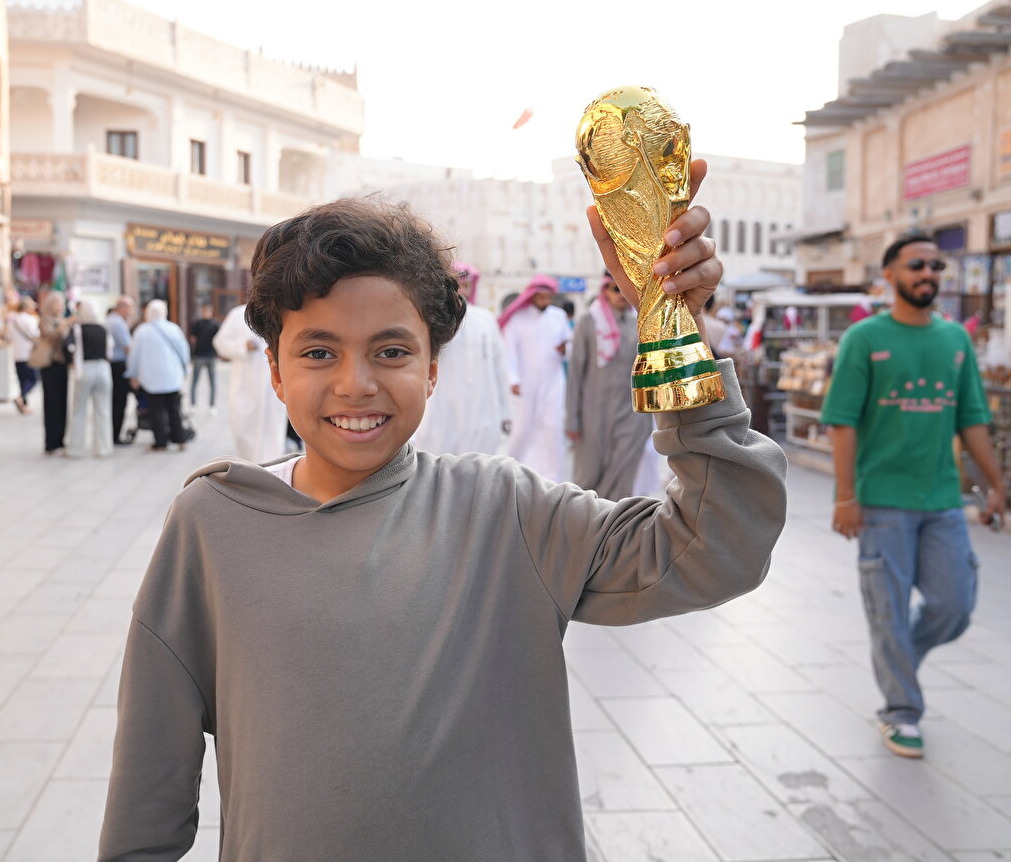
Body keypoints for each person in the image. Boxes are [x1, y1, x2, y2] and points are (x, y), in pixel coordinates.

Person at [98, 189, 788, 861]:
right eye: (318, 352)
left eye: (391, 351)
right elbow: (147, 792)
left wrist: (674, 329)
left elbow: (715, 545)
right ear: (274, 371)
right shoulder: (214, 525)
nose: (356, 383)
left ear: (432, 370)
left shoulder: (506, 511)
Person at [821, 233, 1004, 760]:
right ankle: (901, 710)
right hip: (881, 503)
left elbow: (971, 418)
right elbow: (841, 423)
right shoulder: (863, 338)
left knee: (955, 604)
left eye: (936, 265)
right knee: (888, 612)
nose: (929, 273)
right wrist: (845, 496)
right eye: (917, 264)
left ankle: (901, 652)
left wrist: (996, 484)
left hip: (942, 499)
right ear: (890, 275)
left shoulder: (955, 341)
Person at [566, 274, 655, 500]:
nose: (621, 295)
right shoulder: (589, 322)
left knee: (623, 473)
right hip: (593, 413)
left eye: (625, 289)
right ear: (605, 290)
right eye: (616, 289)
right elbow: (575, 373)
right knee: (588, 476)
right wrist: (572, 420)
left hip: (631, 414)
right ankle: (584, 528)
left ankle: (613, 528)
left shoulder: (641, 322)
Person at [415, 261, 511, 455]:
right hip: (441, 410)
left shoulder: (486, 320)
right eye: (457, 285)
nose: (462, 291)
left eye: (466, 285)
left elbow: (501, 368)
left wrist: (506, 412)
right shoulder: (433, 321)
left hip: (482, 409)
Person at [499, 274, 570, 482]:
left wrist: (565, 349)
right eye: (542, 297)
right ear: (532, 296)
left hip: (553, 381)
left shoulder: (558, 316)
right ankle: (512, 473)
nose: (546, 302)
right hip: (525, 383)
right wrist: (512, 379)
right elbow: (508, 351)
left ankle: (551, 479)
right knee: (523, 428)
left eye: (549, 297)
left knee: (552, 428)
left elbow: (569, 346)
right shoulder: (518, 319)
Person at [213, 303, 287, 462]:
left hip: (273, 388)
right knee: (243, 429)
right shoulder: (238, 314)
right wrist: (242, 346)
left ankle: (273, 472)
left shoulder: (283, 310)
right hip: (246, 386)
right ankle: (252, 469)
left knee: (273, 433)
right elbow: (220, 342)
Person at [126, 299, 190, 451]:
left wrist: (133, 374)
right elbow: (184, 351)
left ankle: (160, 442)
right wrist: (185, 369)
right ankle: (180, 439)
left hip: (151, 378)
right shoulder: (174, 328)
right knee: (174, 409)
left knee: (156, 411)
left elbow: (134, 355)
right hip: (173, 377)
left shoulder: (142, 330)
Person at [67, 303, 114, 459]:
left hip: (85, 369)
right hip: (103, 369)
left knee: (78, 411)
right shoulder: (103, 329)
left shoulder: (78, 329)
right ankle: (103, 447)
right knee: (103, 410)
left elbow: (69, 348)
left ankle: (75, 448)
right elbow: (110, 350)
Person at [37, 291, 74, 455]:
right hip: (50, 365)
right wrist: (65, 325)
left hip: (62, 365)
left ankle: (61, 438)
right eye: (56, 303)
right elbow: (50, 335)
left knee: (62, 402)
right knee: (51, 403)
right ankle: (51, 441)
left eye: (61, 304)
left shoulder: (62, 321)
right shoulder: (46, 320)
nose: (59, 307)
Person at [106, 295, 135, 445]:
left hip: (113, 365)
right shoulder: (117, 323)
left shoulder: (112, 320)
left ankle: (113, 433)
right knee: (119, 401)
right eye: (130, 308)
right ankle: (115, 435)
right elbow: (128, 347)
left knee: (115, 401)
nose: (131, 311)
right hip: (118, 366)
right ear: (122, 307)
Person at [5, 296, 40, 413]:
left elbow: (8, 337)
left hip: (16, 354)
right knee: (33, 379)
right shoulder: (30, 320)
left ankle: (23, 405)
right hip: (28, 353)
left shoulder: (12, 321)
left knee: (21, 380)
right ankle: (21, 397)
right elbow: (36, 335)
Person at [187, 303, 220, 407]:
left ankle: (212, 405)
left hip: (211, 355)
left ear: (211, 311)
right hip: (199, 355)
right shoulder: (197, 324)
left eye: (207, 310)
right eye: (204, 310)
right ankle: (193, 403)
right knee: (195, 381)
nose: (205, 312)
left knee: (213, 382)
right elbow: (192, 338)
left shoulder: (215, 324)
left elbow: (219, 340)